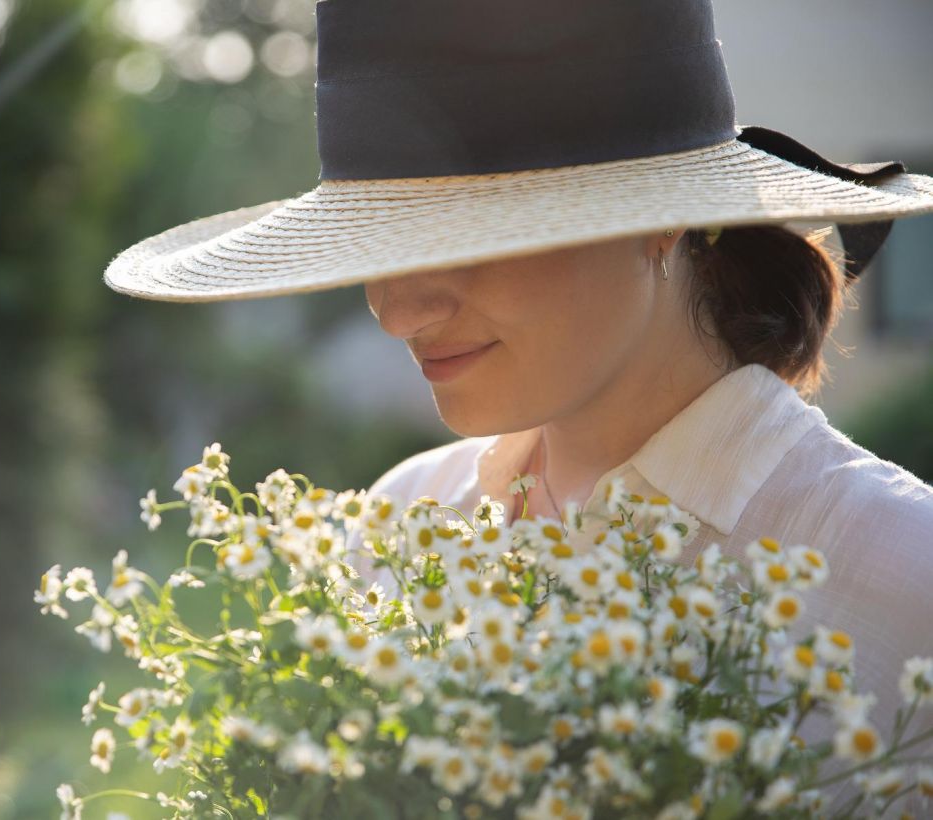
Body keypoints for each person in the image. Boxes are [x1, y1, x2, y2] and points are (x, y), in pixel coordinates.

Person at [102, 0, 933, 805]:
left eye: (472, 239)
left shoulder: (904, 582)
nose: (395, 311)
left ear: (661, 217)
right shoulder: (401, 525)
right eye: (376, 242)